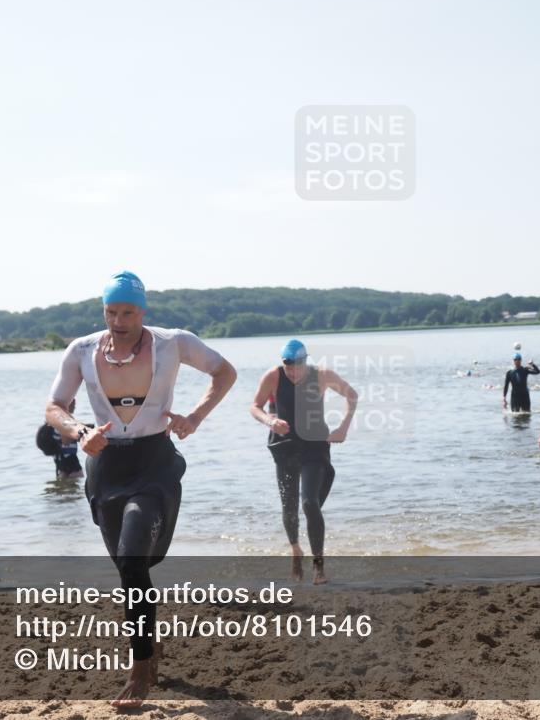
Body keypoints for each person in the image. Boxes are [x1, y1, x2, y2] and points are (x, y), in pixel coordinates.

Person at [45, 271, 236, 708]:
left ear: (142, 310)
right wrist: (78, 432)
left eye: (127, 311)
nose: (118, 319)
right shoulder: (83, 349)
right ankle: (150, 647)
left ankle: (140, 667)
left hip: (154, 460)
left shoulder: (173, 342)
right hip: (106, 465)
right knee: (129, 571)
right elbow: (54, 406)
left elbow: (225, 372)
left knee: (136, 559)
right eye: (111, 311)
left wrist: (196, 416)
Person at [250, 339, 357, 585]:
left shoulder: (322, 375)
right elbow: (255, 406)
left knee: (310, 502)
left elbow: (352, 395)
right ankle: (296, 550)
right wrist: (269, 421)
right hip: (285, 447)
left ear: (306, 361)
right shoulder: (273, 377)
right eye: (287, 364)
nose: (292, 370)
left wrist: (343, 428)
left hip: (314, 446)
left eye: (297, 364)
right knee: (289, 506)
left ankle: (319, 566)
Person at [35, 398, 85, 479]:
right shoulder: (65, 419)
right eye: (73, 401)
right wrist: (79, 433)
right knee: (78, 477)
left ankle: (61, 491)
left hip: (60, 457)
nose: (75, 404)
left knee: (63, 480)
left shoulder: (56, 419)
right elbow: (66, 441)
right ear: (67, 404)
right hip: (68, 457)